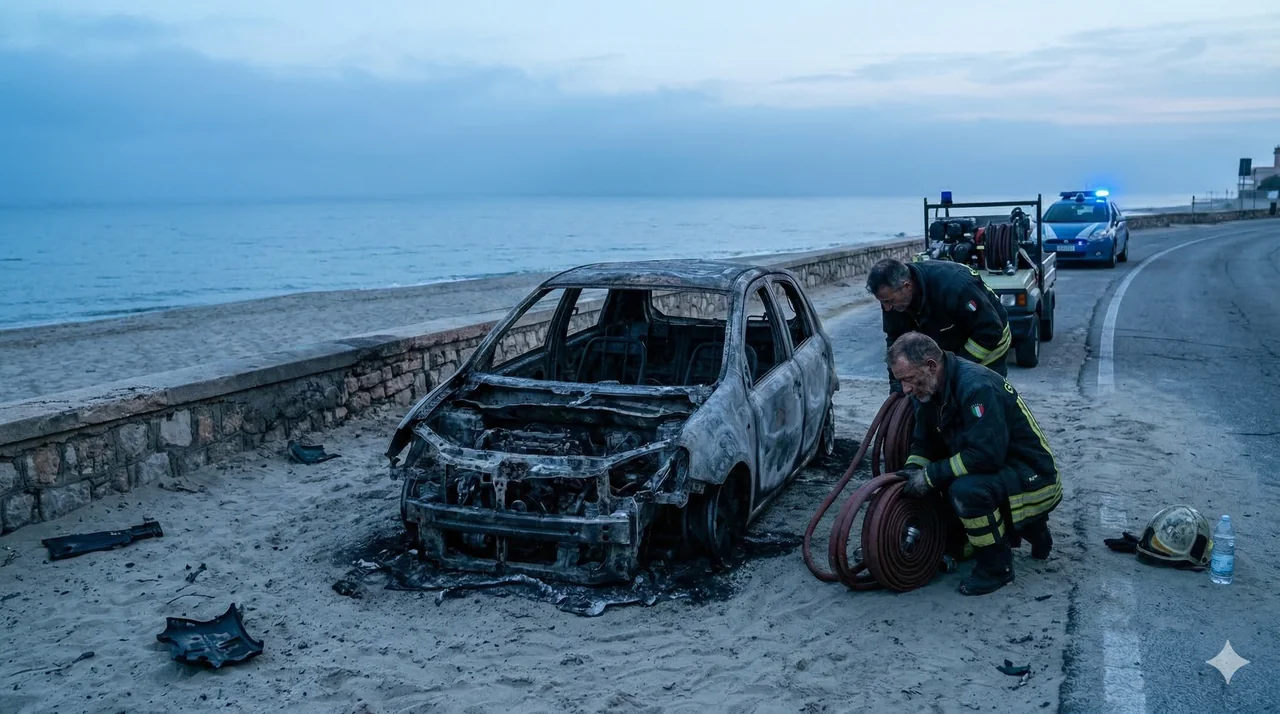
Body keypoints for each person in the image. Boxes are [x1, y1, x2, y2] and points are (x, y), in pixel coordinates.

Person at [888, 331, 1060, 596]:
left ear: (931, 366)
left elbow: (986, 456)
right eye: (901, 381)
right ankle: (1031, 529)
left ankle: (997, 568)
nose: (905, 389)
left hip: (1035, 478)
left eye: (909, 379)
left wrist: (929, 477)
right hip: (1002, 471)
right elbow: (924, 444)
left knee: (965, 492)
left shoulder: (976, 387)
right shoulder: (929, 392)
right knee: (947, 493)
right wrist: (912, 472)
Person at [866, 257, 1012, 388]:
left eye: (889, 301)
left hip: (988, 341)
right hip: (949, 342)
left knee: (978, 390)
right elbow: (896, 341)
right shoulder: (893, 297)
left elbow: (989, 330)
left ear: (907, 286)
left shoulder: (955, 286)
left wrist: (952, 369)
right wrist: (897, 385)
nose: (887, 308)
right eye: (882, 302)